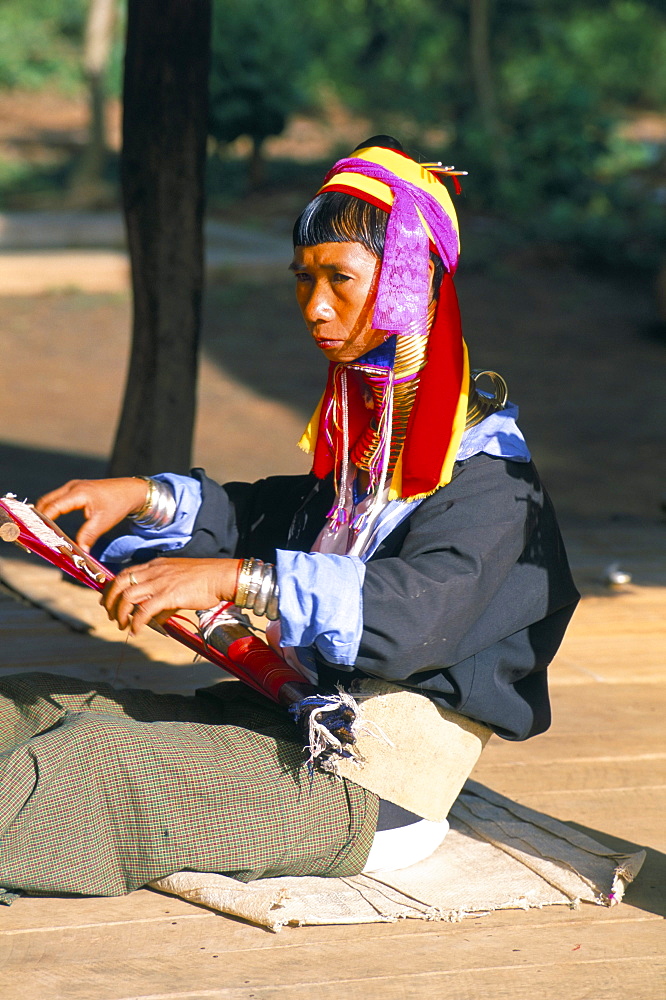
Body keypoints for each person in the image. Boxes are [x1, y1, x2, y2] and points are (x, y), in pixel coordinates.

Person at [0, 137, 579, 899]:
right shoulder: (364, 453)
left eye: (339, 279)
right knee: (29, 705)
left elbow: (417, 612)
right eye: (304, 279)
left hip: (365, 783)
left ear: (409, 282)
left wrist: (238, 579)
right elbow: (263, 513)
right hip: (282, 720)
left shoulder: (493, 483)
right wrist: (143, 496)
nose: (314, 306)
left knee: (87, 764)